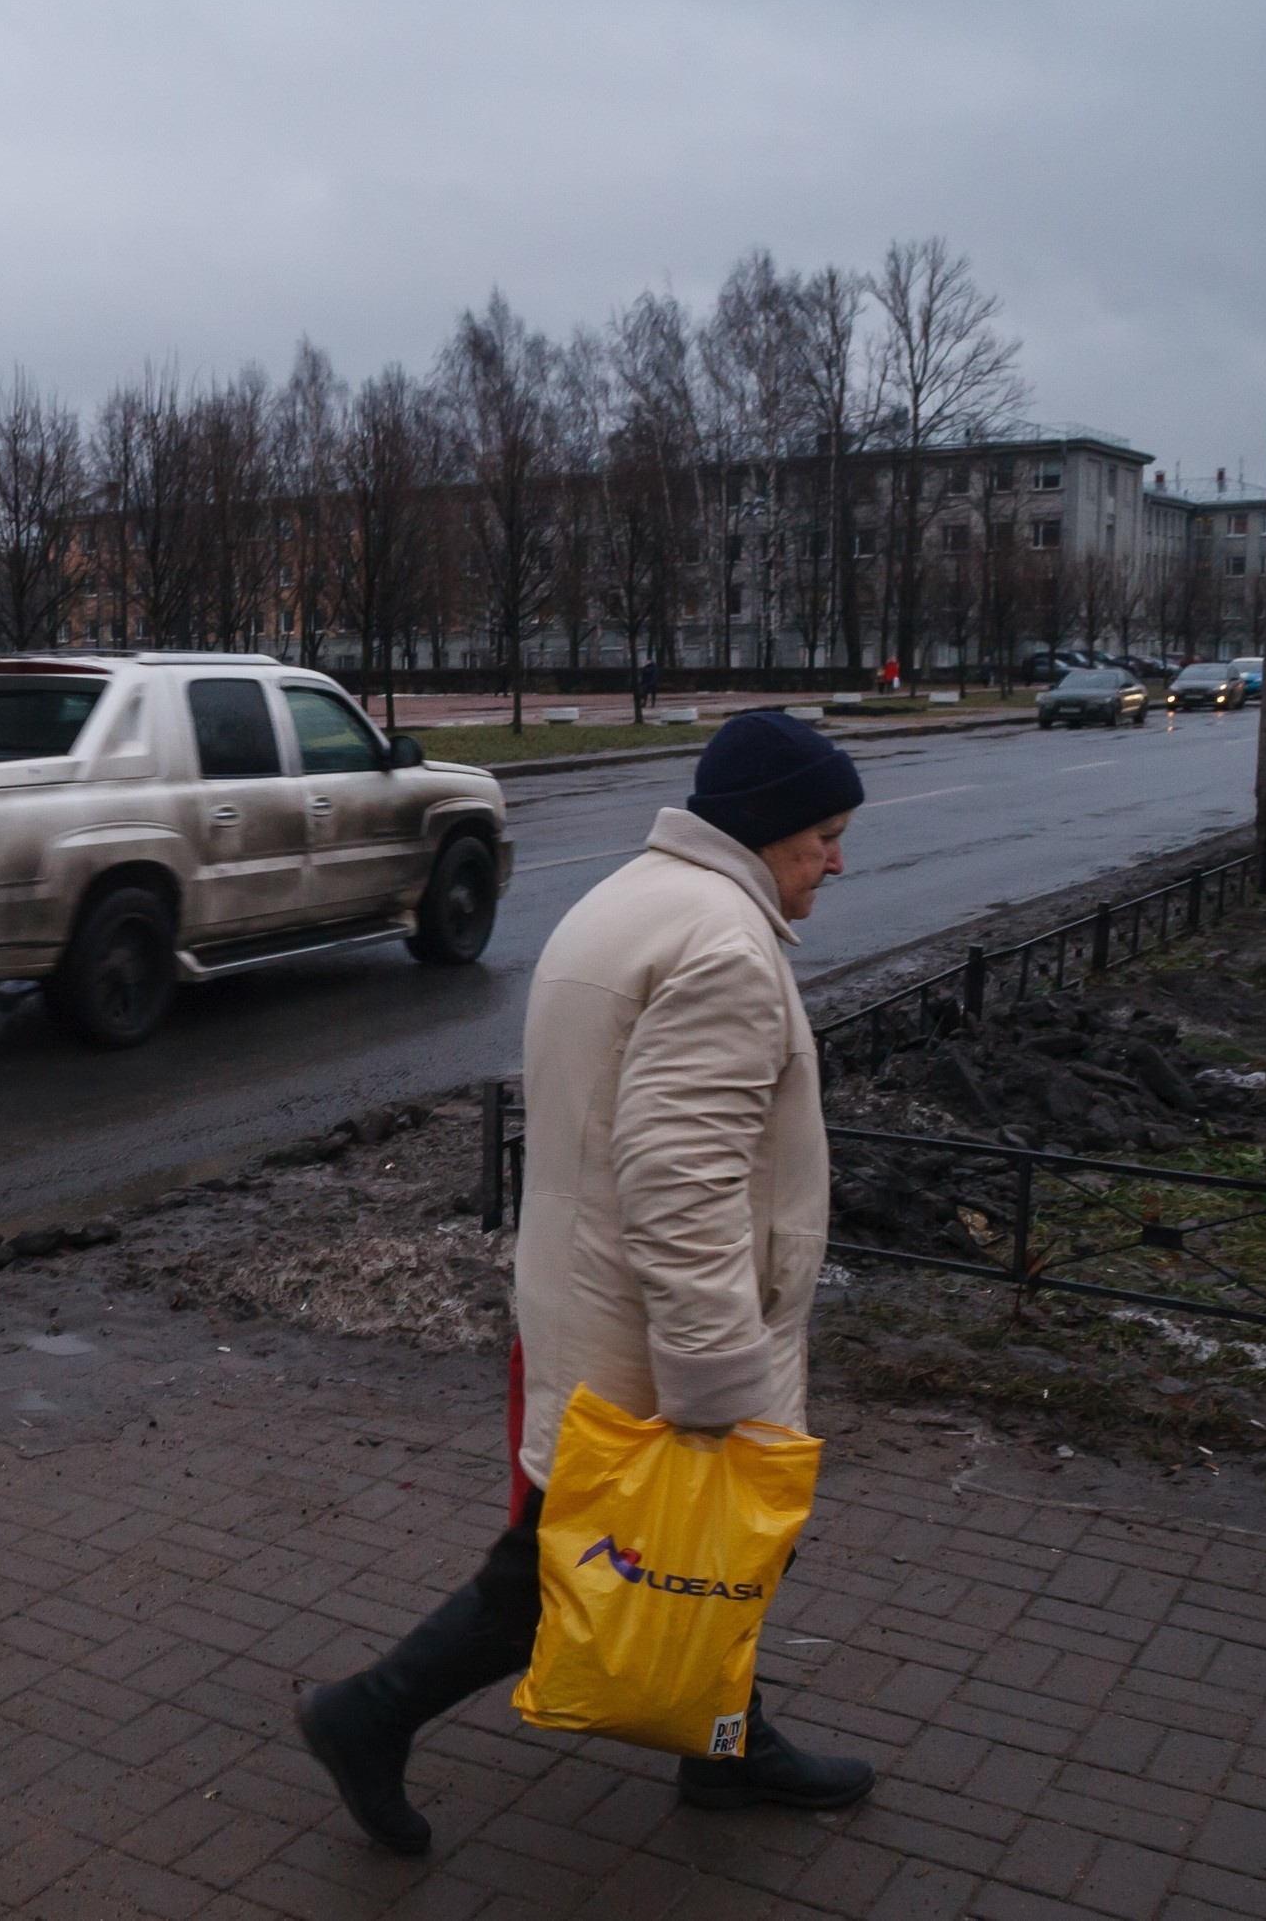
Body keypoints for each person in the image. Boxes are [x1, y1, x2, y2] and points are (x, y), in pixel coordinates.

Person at [297, 709, 874, 1854]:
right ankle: (366, 1714)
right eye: (823, 836)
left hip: (593, 1294)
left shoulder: (634, 899)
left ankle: (724, 1743)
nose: (837, 861)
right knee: (594, 1560)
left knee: (671, 1547)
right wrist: (719, 1375)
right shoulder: (721, 947)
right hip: (661, 1335)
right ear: (765, 831)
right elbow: (681, 1182)